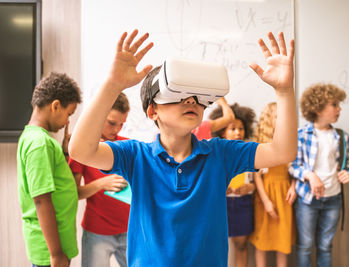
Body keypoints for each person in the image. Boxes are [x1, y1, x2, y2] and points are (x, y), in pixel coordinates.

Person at [69, 29, 297, 266]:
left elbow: (283, 151)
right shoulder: (136, 156)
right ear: (152, 111)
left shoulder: (221, 154)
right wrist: (112, 85)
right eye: (177, 94)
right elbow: (81, 150)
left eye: (197, 96)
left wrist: (284, 91)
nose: (191, 101)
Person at [16, 72, 81, 267]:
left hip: (52, 246)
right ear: (55, 106)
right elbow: (41, 200)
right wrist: (56, 254)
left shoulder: (36, 138)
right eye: (69, 114)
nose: (68, 122)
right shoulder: (39, 143)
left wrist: (65, 152)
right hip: (50, 250)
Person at [288, 83, 349, 267]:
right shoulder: (302, 135)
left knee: (325, 246)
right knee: (305, 246)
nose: (339, 108)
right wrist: (310, 175)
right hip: (307, 201)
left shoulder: (342, 136)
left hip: (333, 199)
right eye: (334, 104)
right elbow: (292, 165)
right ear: (318, 108)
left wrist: (348, 173)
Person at [68, 92, 130, 267]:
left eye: (121, 124)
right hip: (97, 231)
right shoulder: (83, 150)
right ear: (100, 116)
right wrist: (101, 183)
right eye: (112, 123)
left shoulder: (127, 145)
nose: (116, 130)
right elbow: (74, 192)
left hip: (129, 229)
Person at [209, 103, 256, 267]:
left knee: (241, 244)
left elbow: (255, 181)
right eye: (233, 128)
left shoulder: (250, 151)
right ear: (222, 131)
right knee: (217, 245)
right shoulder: (214, 152)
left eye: (241, 128)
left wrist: (250, 188)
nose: (238, 132)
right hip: (221, 205)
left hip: (243, 204)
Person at [249, 102, 296, 267]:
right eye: (277, 117)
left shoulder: (289, 141)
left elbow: (296, 168)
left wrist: (293, 186)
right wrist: (267, 202)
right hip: (265, 196)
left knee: (282, 241)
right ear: (268, 119)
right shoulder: (261, 144)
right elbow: (257, 176)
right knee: (262, 239)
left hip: (284, 195)